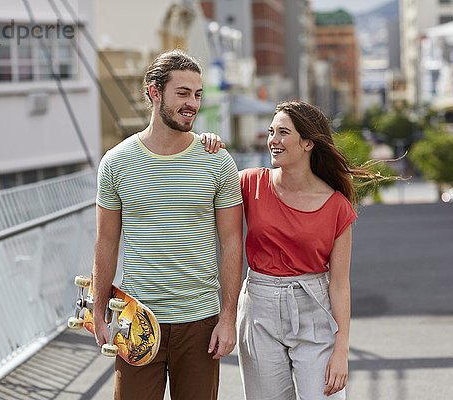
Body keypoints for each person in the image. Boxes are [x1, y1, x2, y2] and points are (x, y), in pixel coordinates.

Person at [92, 49, 243, 400]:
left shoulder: (217, 162)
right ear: (154, 92)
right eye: (183, 93)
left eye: (197, 94)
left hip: (201, 321)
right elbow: (105, 242)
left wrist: (228, 317)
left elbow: (232, 242)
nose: (193, 103)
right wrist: (97, 310)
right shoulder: (115, 163)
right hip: (136, 318)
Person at [236, 101, 377, 399]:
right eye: (272, 131)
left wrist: (341, 351)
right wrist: (208, 146)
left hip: (314, 308)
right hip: (259, 308)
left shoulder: (337, 206)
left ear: (308, 142)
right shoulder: (249, 183)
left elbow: (339, 284)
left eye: (283, 133)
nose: (273, 140)